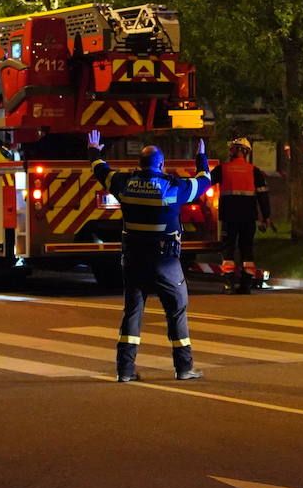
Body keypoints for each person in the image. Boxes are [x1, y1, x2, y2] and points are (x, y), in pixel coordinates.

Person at [88, 129, 212, 382]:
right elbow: (204, 181)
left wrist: (94, 153)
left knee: (132, 311)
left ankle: (124, 370)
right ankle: (184, 368)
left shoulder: (124, 184)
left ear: (139, 164)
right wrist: (201, 158)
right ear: (162, 164)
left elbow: (101, 171)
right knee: (176, 310)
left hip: (134, 260)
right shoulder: (173, 187)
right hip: (166, 261)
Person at [210, 136, 272, 294]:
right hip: (248, 218)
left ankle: (229, 284)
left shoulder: (222, 169)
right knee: (247, 251)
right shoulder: (254, 171)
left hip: (229, 217)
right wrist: (266, 217)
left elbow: (203, 182)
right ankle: (246, 285)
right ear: (246, 153)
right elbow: (263, 197)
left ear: (233, 151)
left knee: (228, 250)